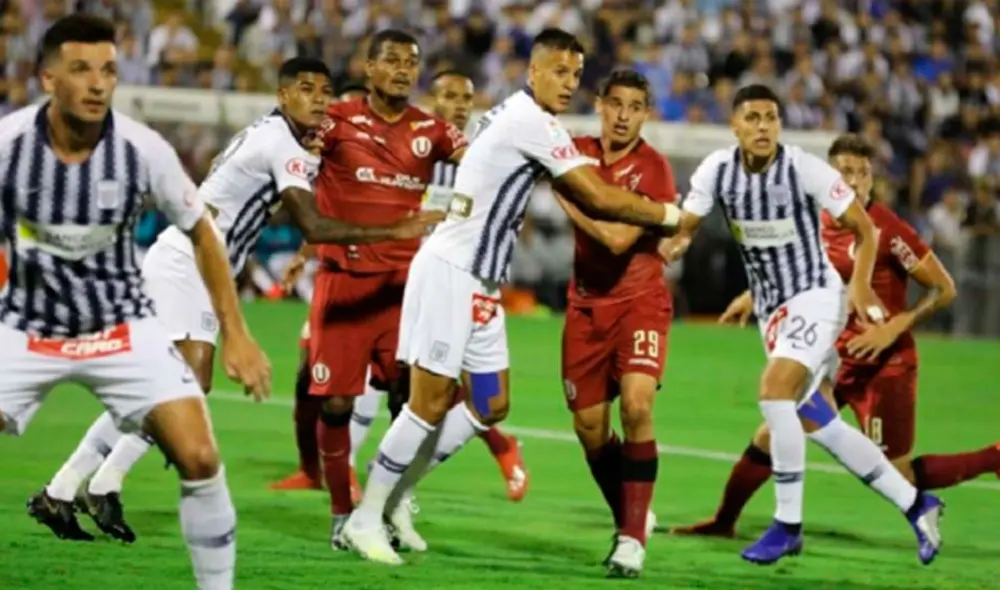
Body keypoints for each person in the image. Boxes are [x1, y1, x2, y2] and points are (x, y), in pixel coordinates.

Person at [40, 57, 440, 541]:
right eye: (307, 89)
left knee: (178, 387)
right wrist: (395, 229)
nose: (319, 99)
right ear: (283, 95)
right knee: (184, 383)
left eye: (326, 92)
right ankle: (74, 488)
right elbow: (311, 222)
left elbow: (223, 172)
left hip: (208, 270)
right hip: (184, 262)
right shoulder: (279, 143)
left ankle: (87, 485)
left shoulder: (277, 137)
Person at [343, 28, 684, 566]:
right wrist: (667, 215)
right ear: (533, 72)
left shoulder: (517, 115)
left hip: (481, 279)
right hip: (453, 269)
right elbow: (595, 196)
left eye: (575, 74)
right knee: (428, 403)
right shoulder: (531, 121)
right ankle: (365, 517)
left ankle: (399, 491)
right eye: (559, 72)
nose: (568, 83)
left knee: (490, 403)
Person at [4, 15, 270, 590]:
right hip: (28, 324)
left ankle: (83, 493)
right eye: (81, 69)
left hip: (121, 316)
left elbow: (202, 230)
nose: (99, 83)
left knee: (198, 452)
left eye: (108, 70)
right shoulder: (10, 146)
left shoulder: (142, 148)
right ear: (46, 77)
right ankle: (73, 488)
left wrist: (238, 331)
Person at [660, 84, 943, 566]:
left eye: (771, 117)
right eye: (752, 117)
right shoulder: (717, 171)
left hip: (816, 297)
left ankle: (787, 525)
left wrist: (859, 287)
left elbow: (865, 228)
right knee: (820, 423)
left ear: (780, 126)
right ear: (735, 126)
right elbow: (688, 223)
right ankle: (917, 503)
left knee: (774, 392)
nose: (763, 126)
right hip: (775, 313)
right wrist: (677, 242)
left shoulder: (805, 169)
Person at [672, 133, 1000, 537]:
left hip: (884, 367)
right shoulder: (813, 220)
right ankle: (724, 522)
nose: (857, 181)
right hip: (832, 358)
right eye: (846, 172)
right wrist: (750, 295)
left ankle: (993, 458)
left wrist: (894, 327)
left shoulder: (886, 230)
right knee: (771, 431)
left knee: (898, 475)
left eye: (864, 173)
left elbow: (944, 287)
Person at [305, 29, 468, 550]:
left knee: (415, 402)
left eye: (411, 62)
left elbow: (482, 162)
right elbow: (287, 150)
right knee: (335, 405)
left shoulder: (432, 129)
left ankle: (389, 506)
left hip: (407, 288)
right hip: (345, 284)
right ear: (369, 67)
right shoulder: (338, 120)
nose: (402, 70)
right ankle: (339, 514)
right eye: (392, 61)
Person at [555, 69, 675, 577]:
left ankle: (630, 541)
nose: (624, 115)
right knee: (589, 431)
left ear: (645, 114)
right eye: (616, 104)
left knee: (637, 405)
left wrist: (567, 197)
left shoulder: (654, 169)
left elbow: (618, 240)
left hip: (639, 301)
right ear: (601, 104)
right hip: (585, 308)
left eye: (635, 107)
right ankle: (633, 514)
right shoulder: (575, 150)